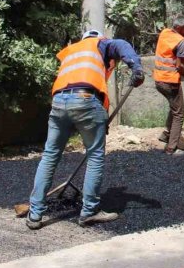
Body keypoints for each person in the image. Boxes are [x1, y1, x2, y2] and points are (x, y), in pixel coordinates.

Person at [27, 29, 145, 230]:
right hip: (85, 99)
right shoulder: (100, 43)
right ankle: (89, 211)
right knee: (95, 155)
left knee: (50, 155)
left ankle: (35, 213)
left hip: (59, 101)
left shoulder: (71, 51)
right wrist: (136, 67)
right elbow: (122, 45)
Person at [153, 14, 184, 155]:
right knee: (179, 114)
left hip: (159, 80)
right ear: (180, 27)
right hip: (170, 82)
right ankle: (171, 148)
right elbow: (180, 66)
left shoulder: (165, 33)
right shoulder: (182, 42)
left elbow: (173, 58)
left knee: (175, 108)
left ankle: (167, 135)